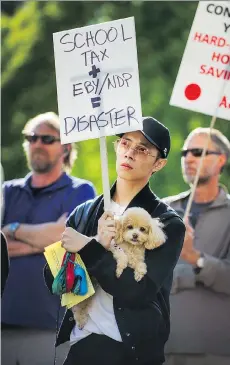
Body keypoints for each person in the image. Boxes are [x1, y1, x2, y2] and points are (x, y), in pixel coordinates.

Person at [44, 116, 185, 365]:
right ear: (115, 147)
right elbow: (57, 283)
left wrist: (91, 248)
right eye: (125, 143)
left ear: (159, 164)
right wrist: (96, 241)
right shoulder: (85, 211)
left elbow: (137, 292)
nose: (130, 153)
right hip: (81, 343)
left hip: (132, 352)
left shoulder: (165, 223)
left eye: (142, 149)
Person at [1, 112, 96, 365]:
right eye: (31, 138)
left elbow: (67, 237)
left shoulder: (81, 190)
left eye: (46, 138)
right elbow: (54, 238)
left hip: (52, 324)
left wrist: (11, 229)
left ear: (65, 148)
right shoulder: (7, 191)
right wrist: (45, 240)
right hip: (4, 322)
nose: (37, 144)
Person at [163, 127, 230, 365]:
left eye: (198, 152)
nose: (188, 158)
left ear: (220, 160)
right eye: (184, 153)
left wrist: (194, 258)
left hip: (215, 350)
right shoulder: (163, 210)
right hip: (163, 345)